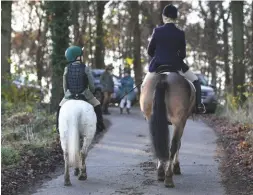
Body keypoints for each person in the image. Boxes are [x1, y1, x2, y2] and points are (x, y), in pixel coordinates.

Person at [146, 4, 205, 113]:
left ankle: (145, 107)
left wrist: (159, 56)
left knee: (145, 84)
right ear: (175, 18)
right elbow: (183, 55)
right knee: (196, 81)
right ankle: (199, 105)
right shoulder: (180, 33)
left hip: (158, 65)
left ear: (164, 17)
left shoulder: (157, 31)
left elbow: (150, 51)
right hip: (176, 66)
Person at [56, 46, 105, 134]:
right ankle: (100, 126)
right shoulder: (85, 68)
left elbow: (65, 85)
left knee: (59, 108)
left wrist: (66, 94)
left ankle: (58, 127)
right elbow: (91, 84)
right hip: (84, 94)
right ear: (77, 57)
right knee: (97, 105)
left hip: (70, 95)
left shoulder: (67, 68)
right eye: (81, 55)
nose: (82, 56)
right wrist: (92, 92)